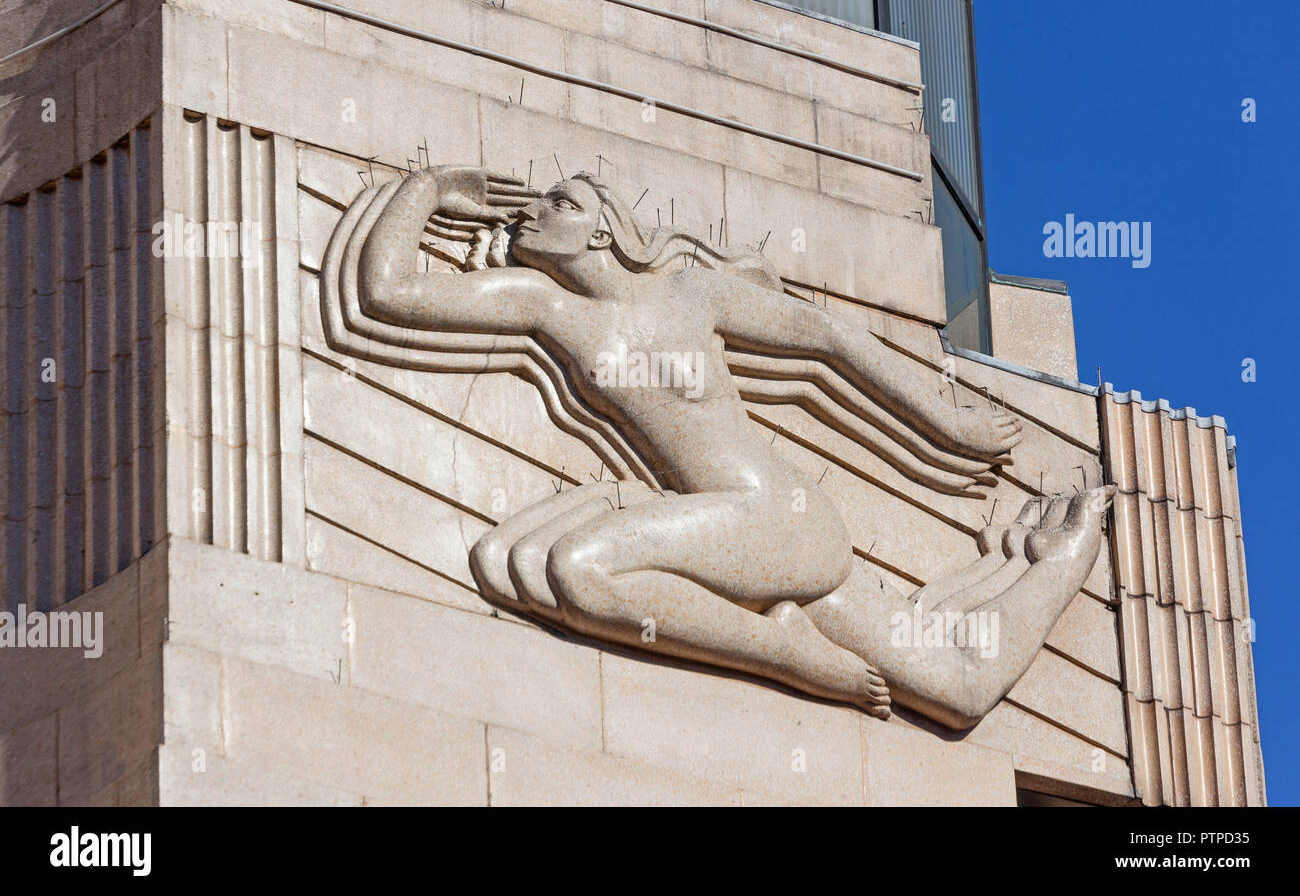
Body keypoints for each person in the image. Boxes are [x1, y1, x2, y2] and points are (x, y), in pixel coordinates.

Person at [331, 164, 1113, 727]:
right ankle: (1064, 558)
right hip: (737, 536)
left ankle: (785, 654)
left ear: (602, 227)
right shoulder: (548, 309)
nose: (531, 213)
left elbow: (830, 336)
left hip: (780, 519)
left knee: (579, 567)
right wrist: (426, 192)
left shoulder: (689, 291)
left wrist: (950, 424)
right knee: (958, 688)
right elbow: (394, 292)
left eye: (557, 202)